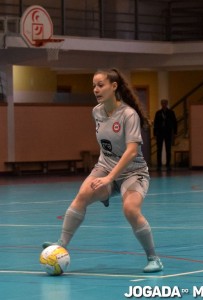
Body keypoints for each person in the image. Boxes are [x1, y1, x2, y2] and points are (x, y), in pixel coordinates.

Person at [43, 68, 163, 273]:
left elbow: (133, 151)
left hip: (133, 172)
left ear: (113, 87)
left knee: (131, 210)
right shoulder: (96, 111)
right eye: (94, 86)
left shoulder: (128, 115)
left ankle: (153, 258)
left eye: (100, 85)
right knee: (81, 196)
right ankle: (60, 245)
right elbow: (107, 146)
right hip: (104, 168)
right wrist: (104, 175)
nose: (96, 90)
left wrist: (110, 178)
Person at [153, 99, 177, 171]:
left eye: (165, 103)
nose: (164, 104)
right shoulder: (158, 113)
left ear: (167, 104)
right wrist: (154, 133)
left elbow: (175, 122)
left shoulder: (171, 112)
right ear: (161, 104)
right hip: (160, 133)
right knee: (159, 149)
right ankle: (159, 165)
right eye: (162, 103)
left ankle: (168, 165)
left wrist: (175, 132)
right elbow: (155, 123)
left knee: (168, 149)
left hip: (168, 133)